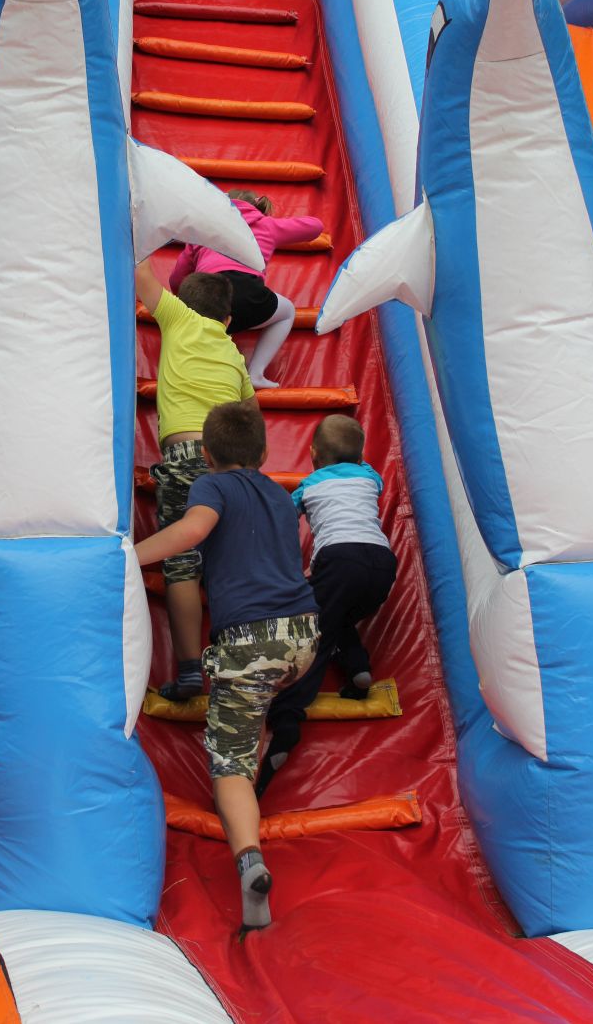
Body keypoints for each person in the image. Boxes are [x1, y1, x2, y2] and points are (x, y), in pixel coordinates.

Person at [135, 402, 318, 934]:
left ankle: (249, 860)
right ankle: (263, 750)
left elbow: (192, 531)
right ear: (264, 451)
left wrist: (128, 553)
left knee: (230, 763)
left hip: (250, 642)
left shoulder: (211, 487)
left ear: (207, 455)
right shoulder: (279, 496)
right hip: (304, 635)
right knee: (252, 715)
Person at [255, 414, 397, 798]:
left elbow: (285, 518)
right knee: (337, 617)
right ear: (360, 457)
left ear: (313, 454)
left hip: (339, 560)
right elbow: (367, 475)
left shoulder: (308, 486)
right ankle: (358, 668)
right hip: (383, 564)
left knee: (314, 633)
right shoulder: (370, 477)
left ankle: (287, 719)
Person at [135, 258, 258, 702]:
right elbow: (252, 417)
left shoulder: (179, 317)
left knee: (181, 563)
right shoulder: (233, 353)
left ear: (183, 304)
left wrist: (141, 234)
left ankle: (189, 668)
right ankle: (239, 661)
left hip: (186, 453)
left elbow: (142, 276)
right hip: (232, 464)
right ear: (228, 320)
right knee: (230, 561)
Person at [169, 191, 323, 389]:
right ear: (256, 205)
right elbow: (315, 227)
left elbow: (176, 279)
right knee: (287, 312)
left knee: (203, 319)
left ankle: (194, 369)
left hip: (206, 296)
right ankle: (256, 373)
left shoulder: (204, 228)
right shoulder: (266, 225)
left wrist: (184, 306)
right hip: (247, 297)